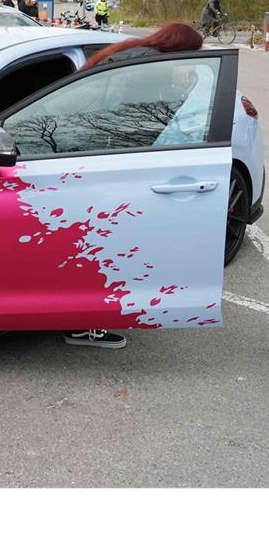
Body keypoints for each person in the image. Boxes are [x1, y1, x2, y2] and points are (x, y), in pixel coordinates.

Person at [63, 23, 205, 349]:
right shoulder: (148, 70)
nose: (196, 65)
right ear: (178, 50)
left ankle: (84, 317)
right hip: (101, 158)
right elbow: (131, 119)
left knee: (96, 240)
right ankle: (85, 323)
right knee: (101, 242)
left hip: (86, 151)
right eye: (193, 57)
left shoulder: (140, 56)